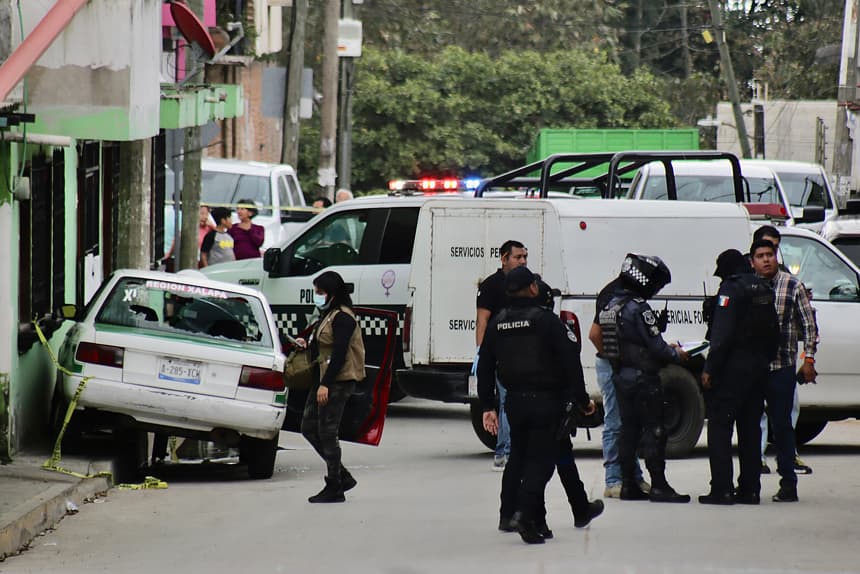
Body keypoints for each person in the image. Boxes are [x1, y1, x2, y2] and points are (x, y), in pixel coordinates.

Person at [477, 266, 596, 544]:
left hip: (515, 403)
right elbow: (570, 364)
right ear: (532, 288)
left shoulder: (498, 322)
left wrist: (486, 405)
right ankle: (524, 515)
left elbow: (484, 366)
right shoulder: (547, 321)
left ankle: (514, 514)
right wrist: (582, 401)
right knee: (541, 464)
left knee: (519, 457)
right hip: (546, 402)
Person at [598, 253, 691, 503]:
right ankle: (659, 485)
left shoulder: (611, 305)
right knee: (655, 431)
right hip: (643, 379)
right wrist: (678, 354)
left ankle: (628, 485)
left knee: (628, 431)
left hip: (621, 377)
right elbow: (657, 348)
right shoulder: (638, 307)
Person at [699, 249, 779, 505]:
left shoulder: (730, 289)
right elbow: (774, 332)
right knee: (750, 430)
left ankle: (721, 489)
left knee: (720, 427)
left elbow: (721, 335)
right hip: (758, 370)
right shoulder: (764, 288)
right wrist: (764, 361)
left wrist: (710, 368)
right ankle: (751, 489)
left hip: (732, 370)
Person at [749, 239, 818, 502]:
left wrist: (808, 359)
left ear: (776, 257)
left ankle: (788, 483)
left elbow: (809, 326)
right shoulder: (746, 286)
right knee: (751, 425)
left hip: (781, 367)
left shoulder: (792, 285)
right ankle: (749, 484)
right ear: (752, 260)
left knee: (783, 426)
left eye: (769, 254)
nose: (766, 259)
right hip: (753, 370)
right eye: (760, 255)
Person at [298, 271, 366, 503]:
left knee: (328, 432)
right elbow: (324, 345)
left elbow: (339, 355)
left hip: (337, 381)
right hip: (322, 378)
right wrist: (307, 343)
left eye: (320, 292)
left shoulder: (344, 317)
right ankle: (342, 476)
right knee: (308, 427)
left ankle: (335, 485)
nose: (317, 296)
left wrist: (325, 385)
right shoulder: (328, 314)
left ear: (332, 293)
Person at [588, 276, 648, 498]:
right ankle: (613, 479)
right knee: (615, 423)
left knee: (627, 424)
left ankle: (633, 477)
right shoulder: (613, 295)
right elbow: (595, 335)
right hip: (612, 365)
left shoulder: (621, 292)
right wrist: (615, 358)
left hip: (616, 364)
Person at [475, 240, 529, 471]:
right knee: (508, 401)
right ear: (504, 258)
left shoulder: (527, 282)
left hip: (525, 353)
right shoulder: (491, 285)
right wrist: (482, 353)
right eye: (518, 257)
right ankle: (504, 453)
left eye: (525, 256)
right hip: (501, 353)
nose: (523, 261)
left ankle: (510, 451)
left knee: (516, 401)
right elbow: (482, 321)